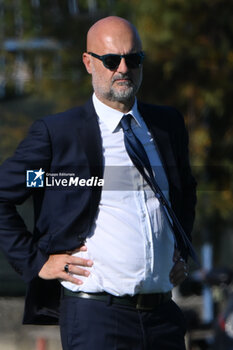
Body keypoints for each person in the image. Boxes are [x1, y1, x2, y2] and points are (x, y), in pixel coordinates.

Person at [0, 16, 197, 350]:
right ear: (88, 62)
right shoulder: (58, 135)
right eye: (111, 60)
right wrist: (37, 261)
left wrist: (181, 251)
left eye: (133, 59)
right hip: (97, 319)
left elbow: (185, 192)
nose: (123, 68)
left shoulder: (167, 126)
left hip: (163, 315)